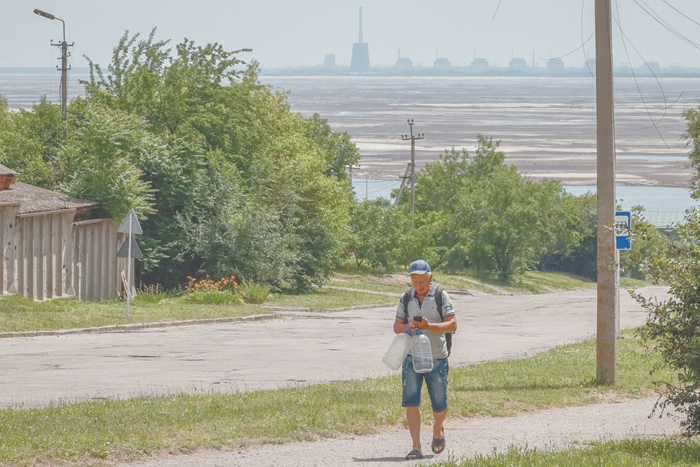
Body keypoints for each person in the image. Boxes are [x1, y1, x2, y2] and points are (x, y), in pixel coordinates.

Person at [394, 259, 457, 460]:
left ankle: (437, 430)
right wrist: (409, 327)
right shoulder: (405, 298)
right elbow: (397, 327)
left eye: (422, 282)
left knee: (439, 402)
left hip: (437, 356)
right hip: (412, 356)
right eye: (415, 282)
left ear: (430, 278)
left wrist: (430, 326)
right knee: (411, 402)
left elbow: (453, 324)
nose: (418, 286)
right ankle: (416, 447)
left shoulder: (440, 296)